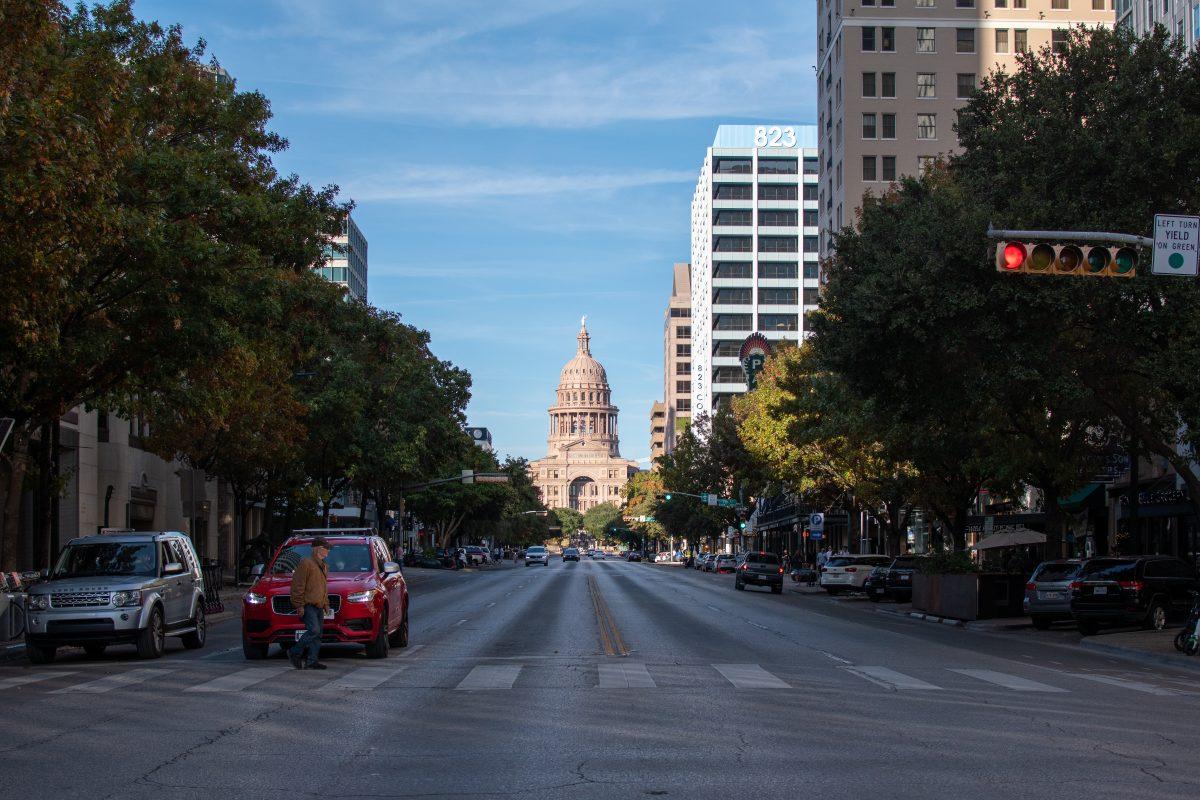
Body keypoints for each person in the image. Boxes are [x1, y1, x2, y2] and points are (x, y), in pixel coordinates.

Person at [288, 537, 330, 671]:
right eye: (325, 548)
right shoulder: (306, 563)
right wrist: (299, 605)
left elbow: (323, 587)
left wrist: (326, 603)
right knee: (314, 630)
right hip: (308, 604)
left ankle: (312, 660)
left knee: (318, 634)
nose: (327, 551)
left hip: (318, 605)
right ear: (317, 548)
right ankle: (294, 652)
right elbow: (298, 585)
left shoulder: (324, 565)